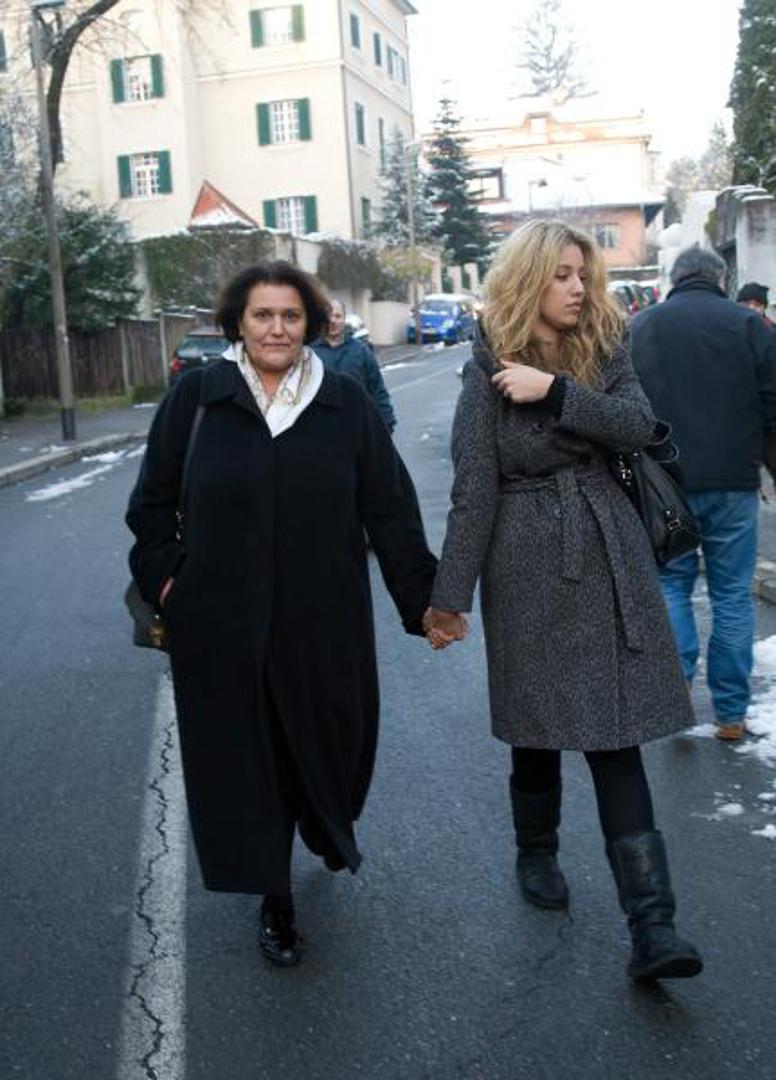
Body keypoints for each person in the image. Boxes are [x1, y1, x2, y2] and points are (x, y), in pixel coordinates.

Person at [126, 261, 436, 967]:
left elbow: (389, 507)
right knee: (249, 760)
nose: (276, 328)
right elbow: (151, 505)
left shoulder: (343, 403)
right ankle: (275, 894)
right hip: (221, 624)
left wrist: (423, 601)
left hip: (324, 618)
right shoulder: (198, 399)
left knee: (332, 742)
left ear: (310, 324)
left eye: (290, 316)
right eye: (262, 315)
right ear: (238, 322)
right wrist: (170, 583)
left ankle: (325, 826)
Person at [424, 220, 702, 981]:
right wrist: (449, 599)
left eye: (583, 273)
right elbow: (474, 489)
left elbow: (638, 425)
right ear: (529, 279)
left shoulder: (603, 345)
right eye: (563, 274)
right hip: (525, 564)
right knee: (537, 728)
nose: (579, 287)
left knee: (616, 736)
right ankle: (536, 849)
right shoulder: (485, 365)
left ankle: (654, 927)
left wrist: (555, 392)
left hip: (608, 555)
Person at [632, 248, 776, 742]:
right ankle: (731, 714)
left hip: (664, 484)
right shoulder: (750, 325)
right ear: (721, 278)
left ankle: (674, 701)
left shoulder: (643, 326)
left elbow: (624, 406)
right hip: (734, 482)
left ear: (675, 279)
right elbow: (773, 406)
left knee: (672, 585)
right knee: (731, 594)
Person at [313, 299, 397, 432]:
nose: (332, 320)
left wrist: (387, 422)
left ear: (344, 319)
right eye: (328, 316)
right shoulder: (309, 353)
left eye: (337, 316)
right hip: (322, 428)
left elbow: (377, 389)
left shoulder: (361, 351)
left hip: (358, 426)